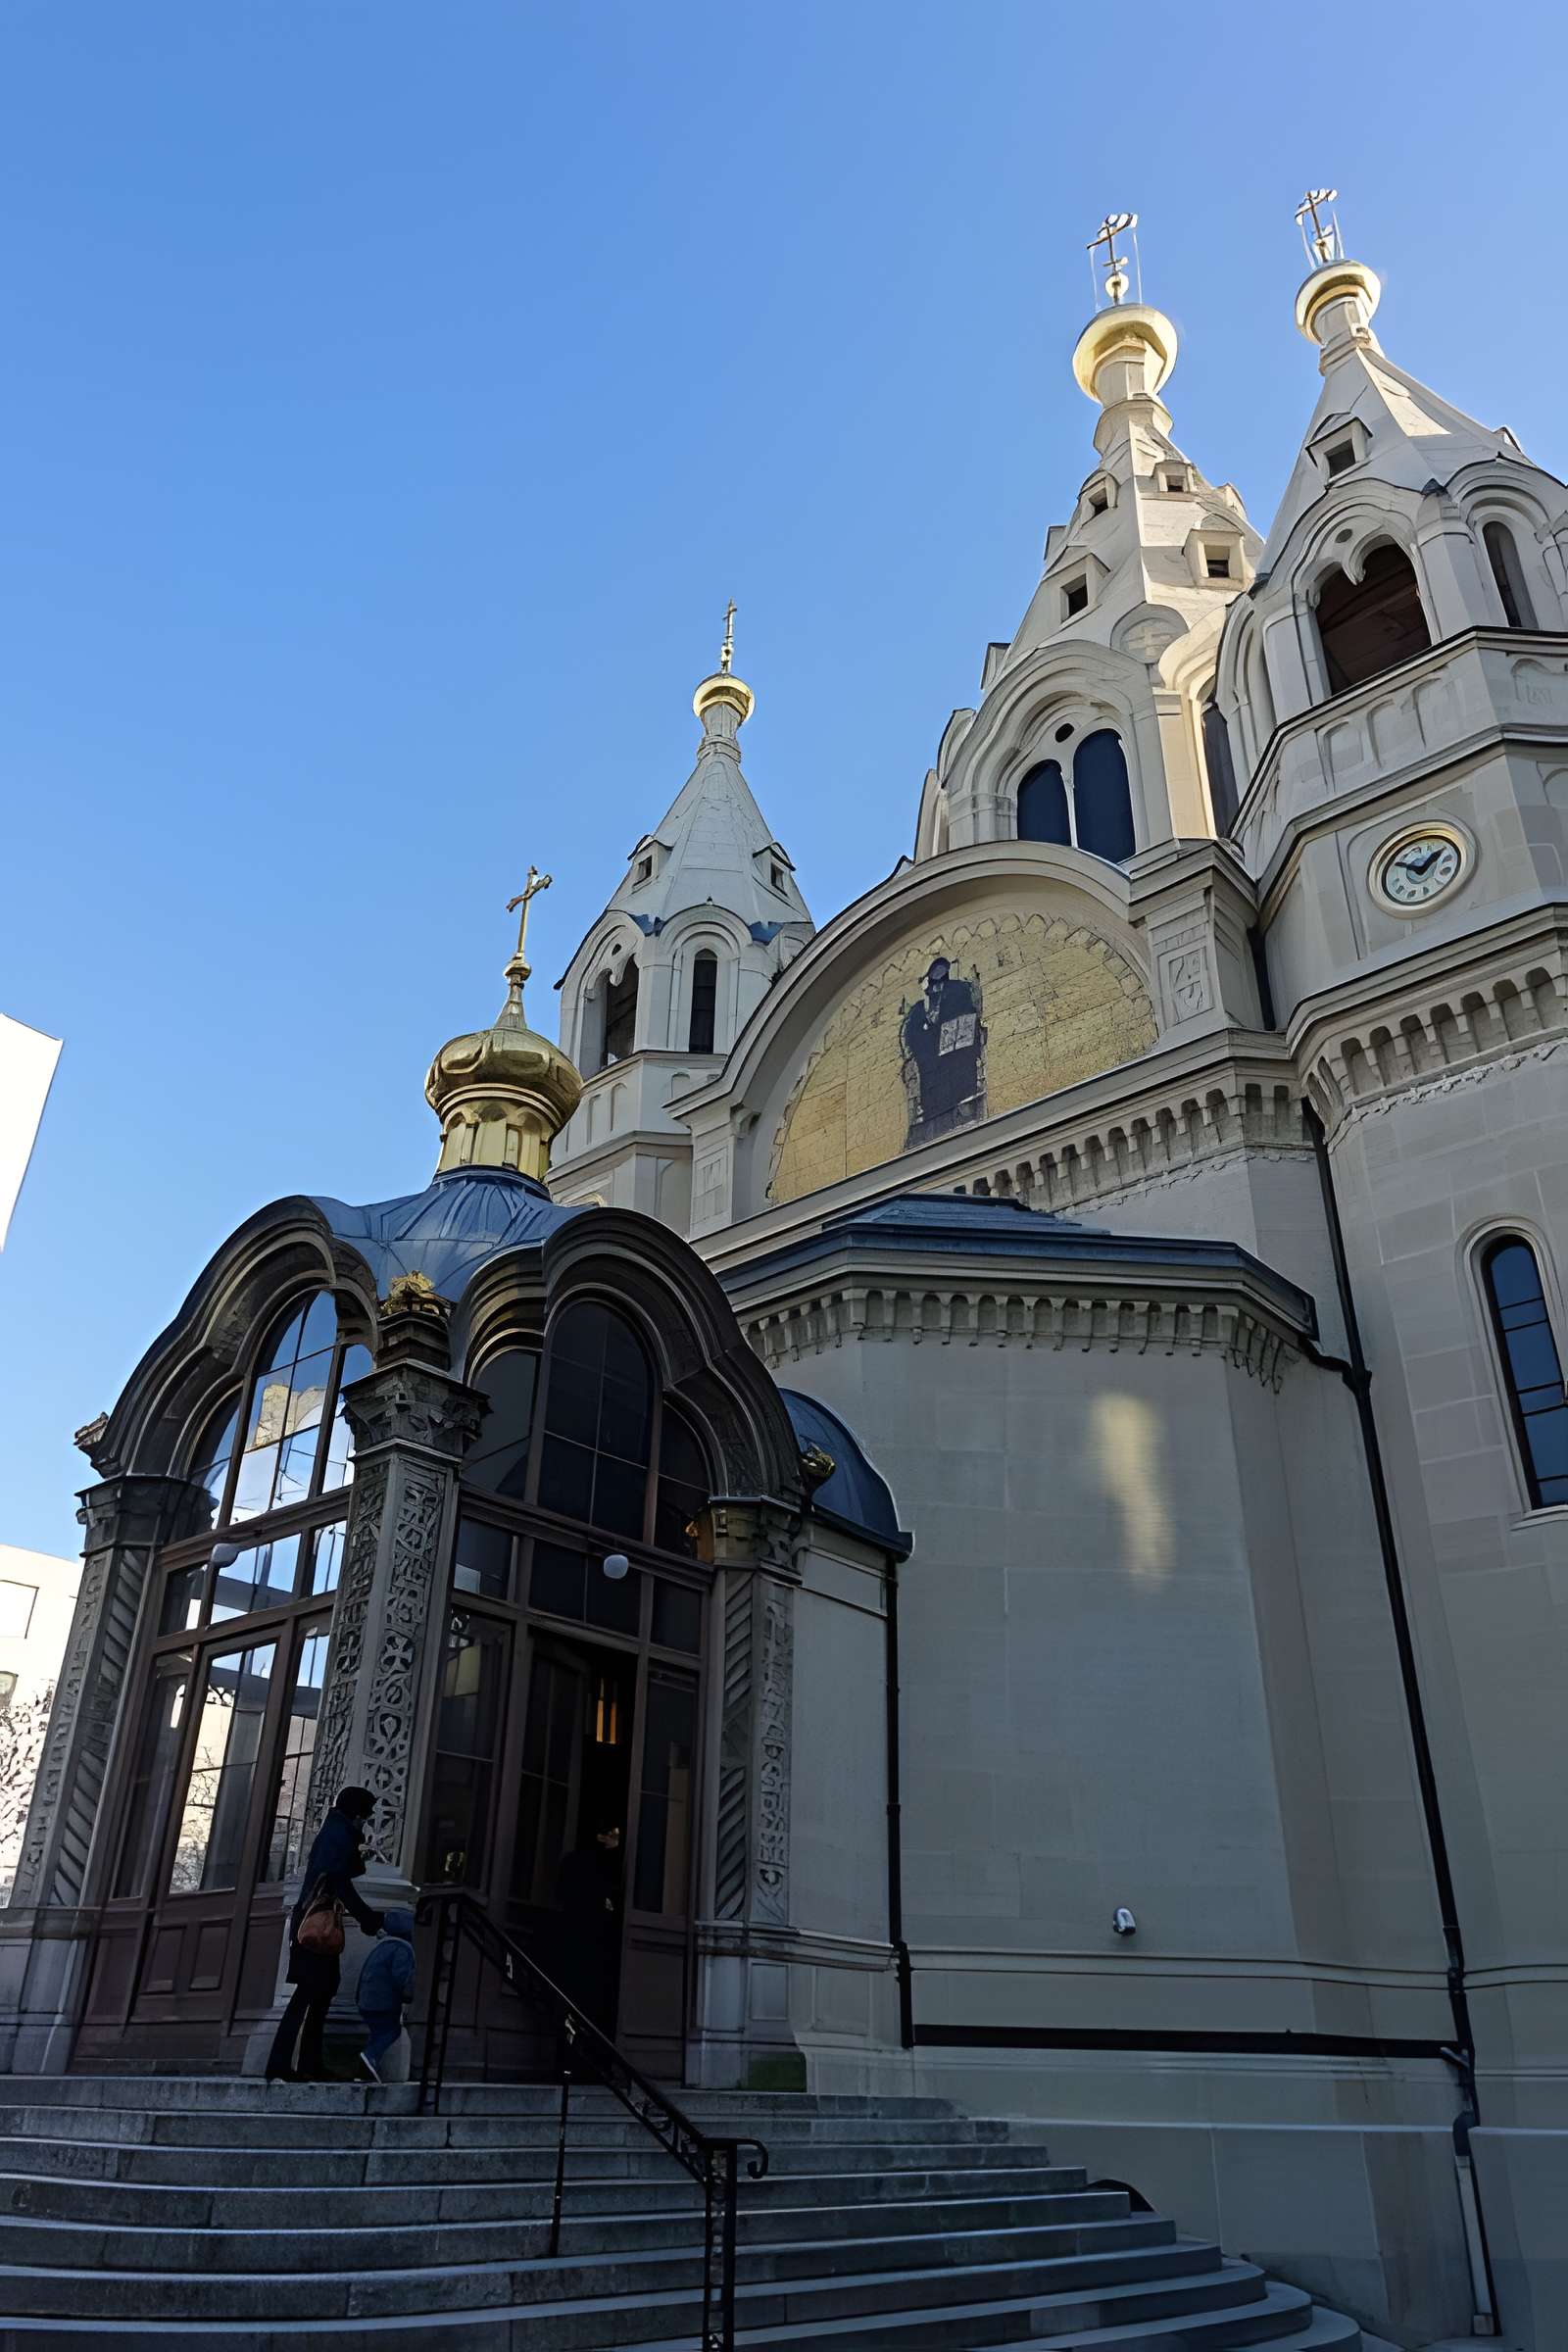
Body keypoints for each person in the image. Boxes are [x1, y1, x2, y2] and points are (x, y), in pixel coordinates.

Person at [265, 1785, 383, 2083]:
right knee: (310, 1994)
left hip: (315, 1923)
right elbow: (340, 1881)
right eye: (365, 1817)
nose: (364, 1822)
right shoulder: (338, 1835)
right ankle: (286, 2063)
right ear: (356, 1813)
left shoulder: (337, 1832)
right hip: (317, 1925)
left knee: (319, 1992)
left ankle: (305, 2063)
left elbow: (346, 1872)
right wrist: (369, 1919)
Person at [554, 1823, 622, 2035]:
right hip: (589, 1940)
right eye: (610, 1836)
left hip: (576, 1937)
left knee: (572, 1998)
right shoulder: (600, 1865)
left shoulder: (574, 1862)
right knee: (585, 1998)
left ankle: (570, 2051)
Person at [356, 1907, 416, 2083]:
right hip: (384, 2002)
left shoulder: (381, 1946)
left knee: (377, 2033)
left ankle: (366, 2067)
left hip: (366, 2001)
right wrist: (407, 1997)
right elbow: (401, 1977)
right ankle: (370, 2056)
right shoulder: (403, 1949)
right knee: (392, 2030)